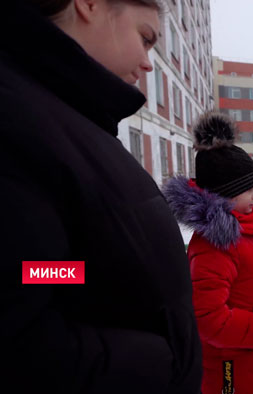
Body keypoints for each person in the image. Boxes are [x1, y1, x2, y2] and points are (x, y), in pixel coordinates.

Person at [0, 1, 202, 393]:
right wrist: (156, 363)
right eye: (145, 39)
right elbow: (24, 293)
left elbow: (46, 268)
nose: (148, 64)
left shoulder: (65, 116)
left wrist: (86, 271)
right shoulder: (19, 118)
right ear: (90, 4)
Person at [164, 112, 253, 394]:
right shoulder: (215, 245)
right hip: (232, 366)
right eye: (248, 189)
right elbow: (207, 317)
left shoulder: (244, 229)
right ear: (224, 195)